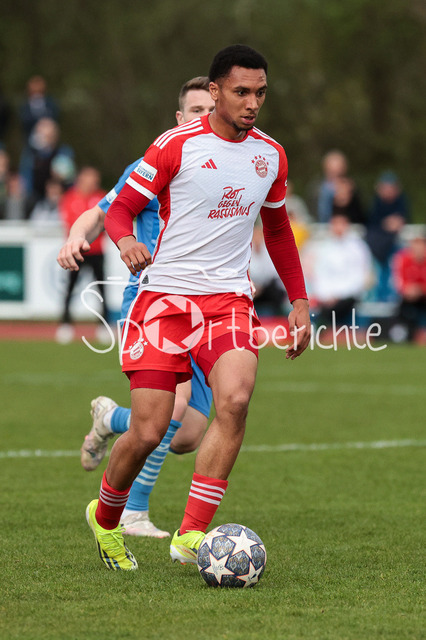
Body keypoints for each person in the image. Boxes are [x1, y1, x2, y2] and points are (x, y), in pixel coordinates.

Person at [82, 44, 310, 572]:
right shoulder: (174, 146)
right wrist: (125, 242)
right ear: (214, 91)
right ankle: (106, 517)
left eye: (260, 93)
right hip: (164, 300)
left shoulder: (271, 156)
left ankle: (190, 534)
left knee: (236, 400)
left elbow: (277, 229)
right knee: (149, 430)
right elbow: (120, 210)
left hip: (229, 301)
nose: (253, 103)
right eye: (241, 92)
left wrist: (299, 299)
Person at [57, 77, 215, 537]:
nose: (204, 118)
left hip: (208, 304)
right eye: (196, 110)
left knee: (186, 436)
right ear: (180, 118)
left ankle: (110, 418)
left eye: (211, 110)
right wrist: (75, 237)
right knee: (172, 408)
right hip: (153, 300)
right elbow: (103, 210)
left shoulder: (228, 166)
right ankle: (133, 513)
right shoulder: (157, 161)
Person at [56, 167, 107, 344]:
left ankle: (104, 325)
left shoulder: (101, 196)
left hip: (97, 251)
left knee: (102, 289)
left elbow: (106, 221)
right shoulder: (70, 198)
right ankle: (65, 324)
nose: (93, 182)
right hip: (76, 252)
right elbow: (69, 223)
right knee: (70, 288)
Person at [302, 212, 373, 326]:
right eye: (335, 224)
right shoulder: (323, 247)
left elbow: (360, 275)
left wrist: (339, 295)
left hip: (349, 296)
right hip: (327, 298)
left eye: (341, 224)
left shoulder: (358, 247)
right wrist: (326, 295)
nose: (338, 227)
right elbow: (319, 274)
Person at [366, 171, 410, 301]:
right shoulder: (375, 204)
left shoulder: (402, 202)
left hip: (391, 249)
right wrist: (386, 224)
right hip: (377, 250)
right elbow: (371, 222)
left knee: (392, 278)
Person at [390, 235, 426, 342]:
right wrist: (407, 289)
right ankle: (403, 332)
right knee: (404, 308)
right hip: (407, 297)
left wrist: (420, 290)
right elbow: (397, 280)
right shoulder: (403, 259)